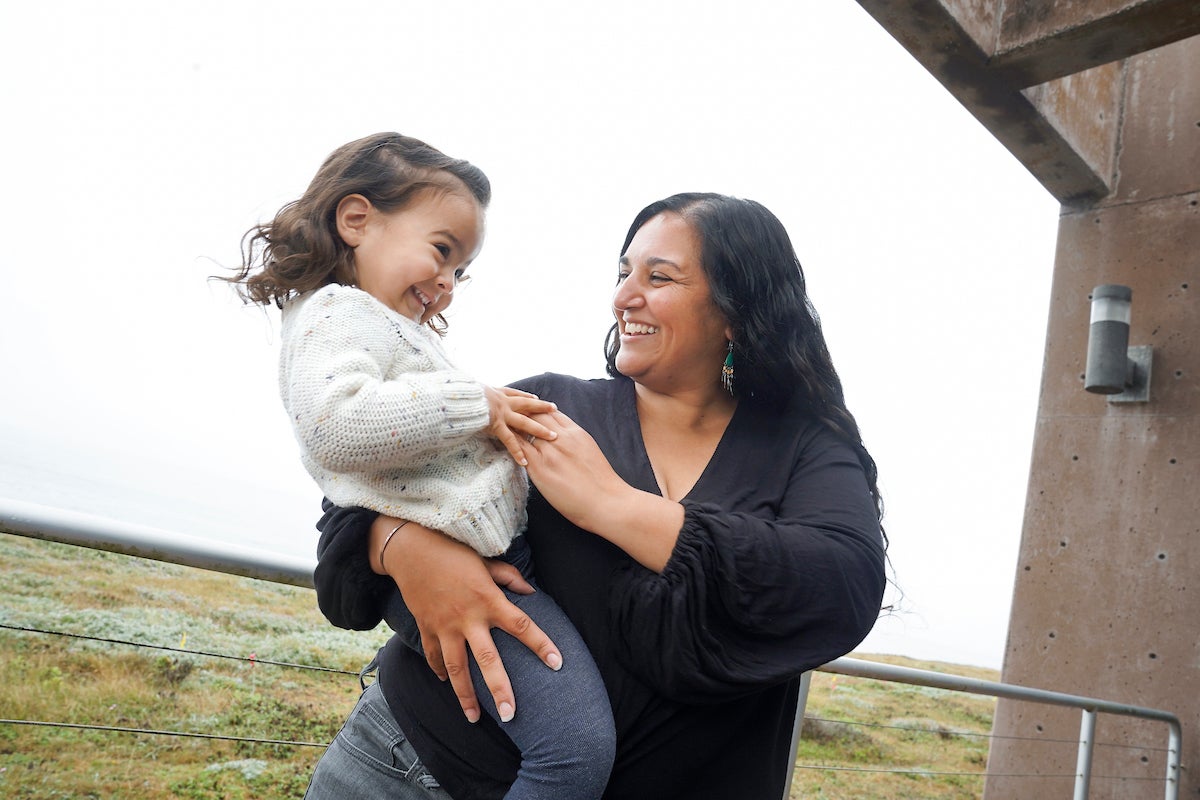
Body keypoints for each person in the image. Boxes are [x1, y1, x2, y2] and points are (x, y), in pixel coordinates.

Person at [311, 192, 889, 800]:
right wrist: (402, 546)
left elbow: (840, 585)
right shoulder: (545, 406)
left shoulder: (806, 449)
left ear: (735, 311)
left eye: (658, 277)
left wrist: (611, 504)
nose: (623, 298)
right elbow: (355, 499)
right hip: (400, 767)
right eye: (623, 273)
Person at [224, 132, 616, 800]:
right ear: (357, 219)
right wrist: (479, 405)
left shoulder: (374, 324)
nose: (449, 284)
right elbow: (335, 427)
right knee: (574, 750)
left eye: (461, 271)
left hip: (471, 561)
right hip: (448, 570)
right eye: (442, 251)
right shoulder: (336, 312)